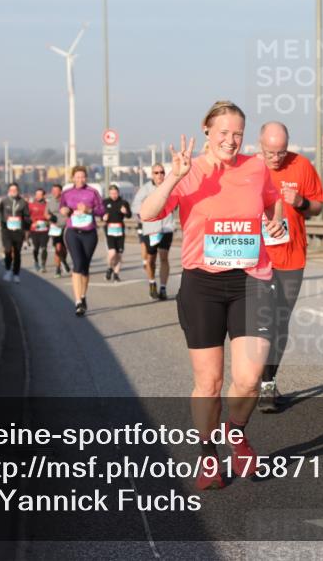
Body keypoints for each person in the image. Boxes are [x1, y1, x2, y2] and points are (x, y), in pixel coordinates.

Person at [139, 100, 285, 490]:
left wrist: (275, 220)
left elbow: (274, 203)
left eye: (238, 133)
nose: (231, 140)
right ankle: (207, 454)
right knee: (209, 383)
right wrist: (173, 177)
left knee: (251, 378)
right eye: (223, 133)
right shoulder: (190, 172)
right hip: (202, 284)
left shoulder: (256, 168)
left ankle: (236, 433)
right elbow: (148, 214)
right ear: (206, 130)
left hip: (251, 280)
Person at [255, 122, 323, 414]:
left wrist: (303, 202)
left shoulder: (302, 165)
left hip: (292, 257)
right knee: (262, 322)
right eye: (270, 152)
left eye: (281, 152)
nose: (276, 158)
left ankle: (268, 381)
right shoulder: (249, 169)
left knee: (280, 321)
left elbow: (319, 206)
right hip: (256, 259)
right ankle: (258, 381)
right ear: (260, 145)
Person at [59, 166, 106, 316]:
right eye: (77, 177)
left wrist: (89, 210)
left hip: (89, 233)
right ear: (73, 178)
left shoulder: (93, 192)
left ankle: (83, 295)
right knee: (77, 265)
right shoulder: (66, 193)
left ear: (86, 178)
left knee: (85, 267)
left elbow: (102, 211)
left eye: (83, 177)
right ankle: (78, 301)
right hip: (73, 232)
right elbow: (62, 208)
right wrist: (64, 211)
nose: (80, 179)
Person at [132, 164, 177, 300]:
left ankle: (163, 288)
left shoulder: (169, 187)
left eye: (162, 172)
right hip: (151, 230)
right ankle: (152, 282)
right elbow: (135, 207)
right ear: (152, 174)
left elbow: (178, 200)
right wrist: (147, 213)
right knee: (151, 260)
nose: (159, 175)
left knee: (164, 257)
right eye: (156, 173)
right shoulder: (145, 189)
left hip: (166, 228)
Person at [0, 183, 31, 284]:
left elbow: (27, 216)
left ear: (18, 190)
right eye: (11, 190)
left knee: (17, 253)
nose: (13, 191)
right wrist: (1, 220)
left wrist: (26, 228)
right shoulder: (4, 201)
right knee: (7, 250)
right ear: (8, 191)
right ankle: (7, 270)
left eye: (15, 190)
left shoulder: (23, 202)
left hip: (18, 231)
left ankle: (16, 274)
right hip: (6, 230)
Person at [102, 184, 131, 282]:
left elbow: (129, 215)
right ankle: (110, 267)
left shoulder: (123, 202)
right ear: (109, 193)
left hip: (120, 231)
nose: (114, 195)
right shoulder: (105, 202)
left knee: (119, 254)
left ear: (118, 193)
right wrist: (103, 217)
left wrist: (125, 212)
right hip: (109, 231)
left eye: (115, 193)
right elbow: (100, 214)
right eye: (112, 193)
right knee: (112, 253)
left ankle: (116, 274)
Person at [46, 183, 71, 278]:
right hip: (55, 227)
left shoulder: (66, 201)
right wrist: (49, 217)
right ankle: (58, 268)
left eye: (56, 191)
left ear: (61, 192)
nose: (54, 193)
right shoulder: (50, 202)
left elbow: (71, 211)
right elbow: (46, 213)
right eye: (53, 191)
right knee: (58, 247)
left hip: (66, 227)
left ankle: (63, 261)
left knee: (64, 249)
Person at [28, 188, 51, 273]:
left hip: (45, 229)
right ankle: (36, 261)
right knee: (36, 248)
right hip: (34, 230)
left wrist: (49, 222)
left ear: (43, 195)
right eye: (36, 194)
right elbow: (26, 217)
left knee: (44, 247)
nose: (37, 196)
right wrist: (31, 223)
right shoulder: (30, 205)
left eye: (39, 194)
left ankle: (43, 265)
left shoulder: (48, 205)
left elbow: (51, 216)